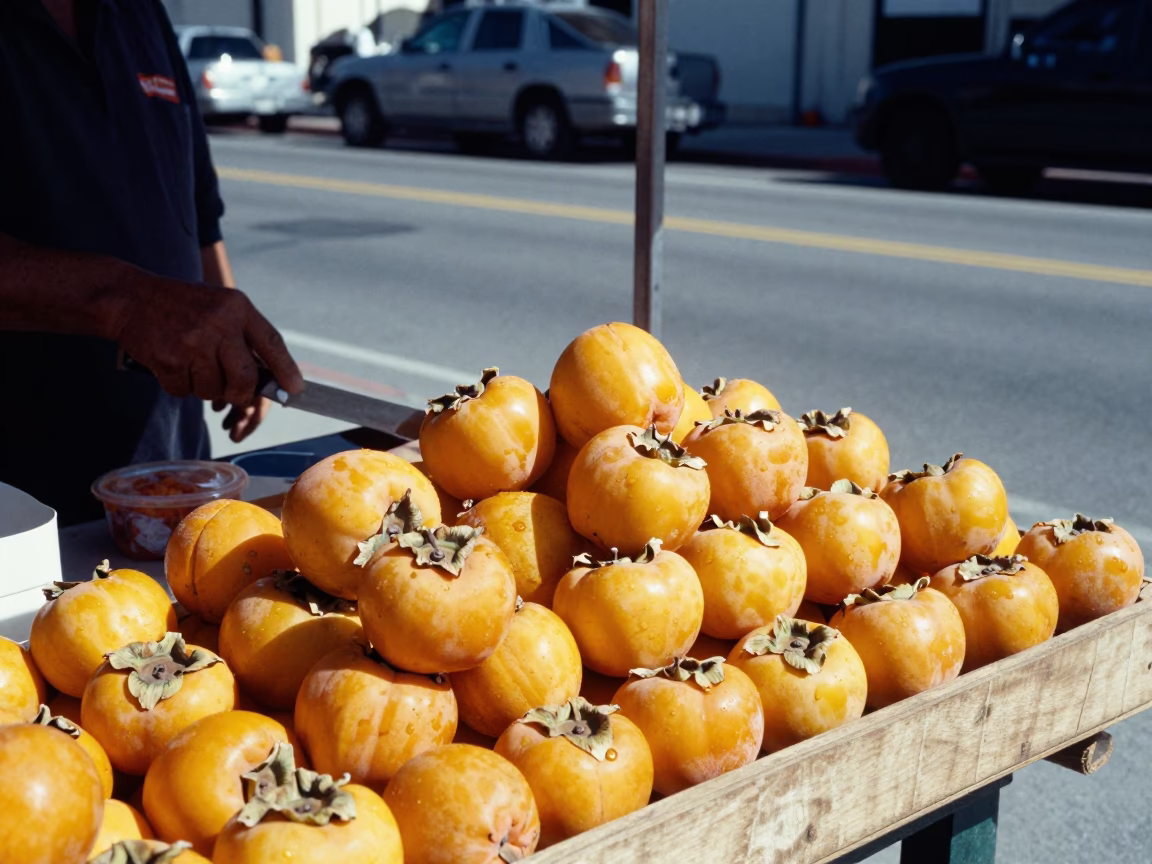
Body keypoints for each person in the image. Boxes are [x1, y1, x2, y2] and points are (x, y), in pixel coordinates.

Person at [0, 0, 303, 525]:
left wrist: (236, 343)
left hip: (171, 469)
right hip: (20, 493)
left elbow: (198, 202)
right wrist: (125, 303)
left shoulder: (137, 10)